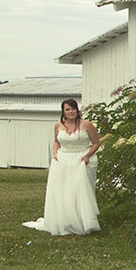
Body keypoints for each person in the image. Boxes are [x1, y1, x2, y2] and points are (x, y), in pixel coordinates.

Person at [23, 99, 102, 235]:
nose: (71, 112)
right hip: (63, 159)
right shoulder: (58, 125)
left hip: (81, 160)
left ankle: (83, 222)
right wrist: (55, 153)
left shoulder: (86, 125)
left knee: (79, 192)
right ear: (63, 111)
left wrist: (87, 156)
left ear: (77, 110)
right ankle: (65, 221)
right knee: (63, 191)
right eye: (67, 109)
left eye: (73, 109)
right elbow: (56, 142)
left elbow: (96, 143)